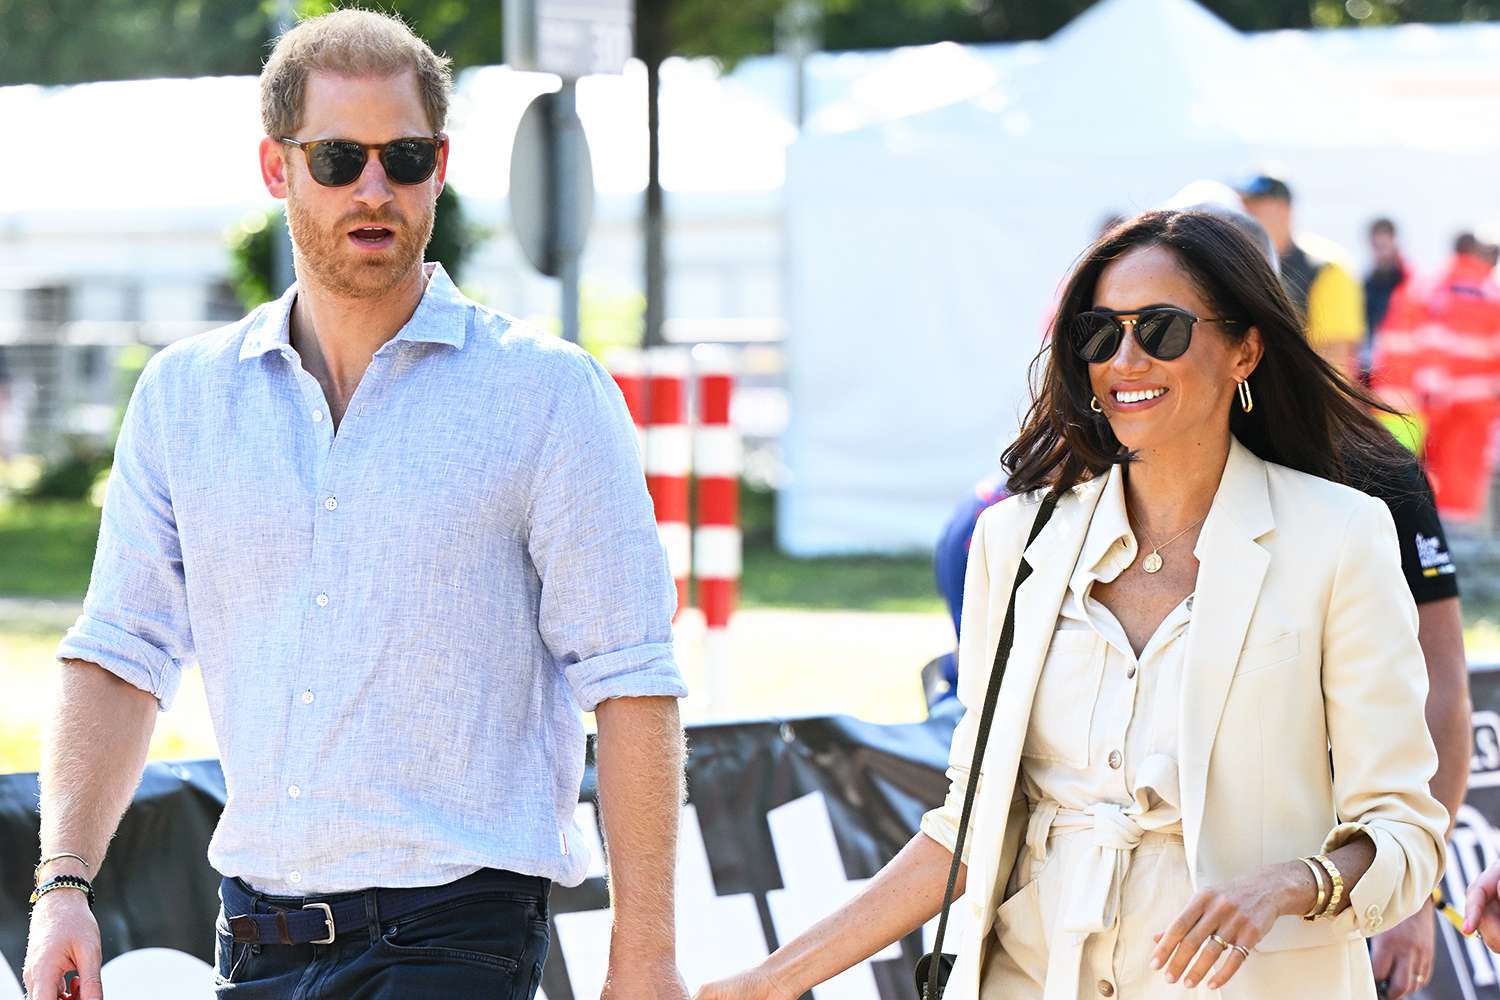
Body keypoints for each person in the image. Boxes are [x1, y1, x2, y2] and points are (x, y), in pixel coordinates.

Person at [22, 11, 690, 1000]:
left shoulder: (547, 393)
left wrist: (645, 956)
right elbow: (122, 651)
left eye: (405, 157)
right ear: (275, 165)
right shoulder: (183, 397)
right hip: (253, 939)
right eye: (338, 158)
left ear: (441, 164)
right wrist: (64, 879)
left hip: (457, 938)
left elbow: (633, 678)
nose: (374, 190)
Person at [697, 209, 1448, 1000]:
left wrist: (1287, 885)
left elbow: (1404, 833)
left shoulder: (1339, 536)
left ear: (1246, 349)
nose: (1125, 358)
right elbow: (969, 827)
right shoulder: (1015, 545)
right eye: (1100, 332)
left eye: (1159, 328)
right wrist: (770, 982)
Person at [1372, 231, 1500, 527]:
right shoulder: (1489, 294)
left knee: (1408, 484)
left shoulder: (1428, 286)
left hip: (1411, 404)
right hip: (1471, 409)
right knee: (1458, 492)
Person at [1240, 173, 1366, 383]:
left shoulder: (1325, 268)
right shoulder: (1244, 267)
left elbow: (1335, 363)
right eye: (1244, 205)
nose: (1246, 214)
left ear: (1284, 210)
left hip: (1302, 405)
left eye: (1256, 205)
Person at [1365, 218, 1409, 352]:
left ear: (1393, 242)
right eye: (1376, 247)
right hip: (1373, 359)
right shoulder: (1368, 283)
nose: (1380, 252)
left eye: (1383, 246)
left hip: (1401, 359)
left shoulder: (1409, 282)